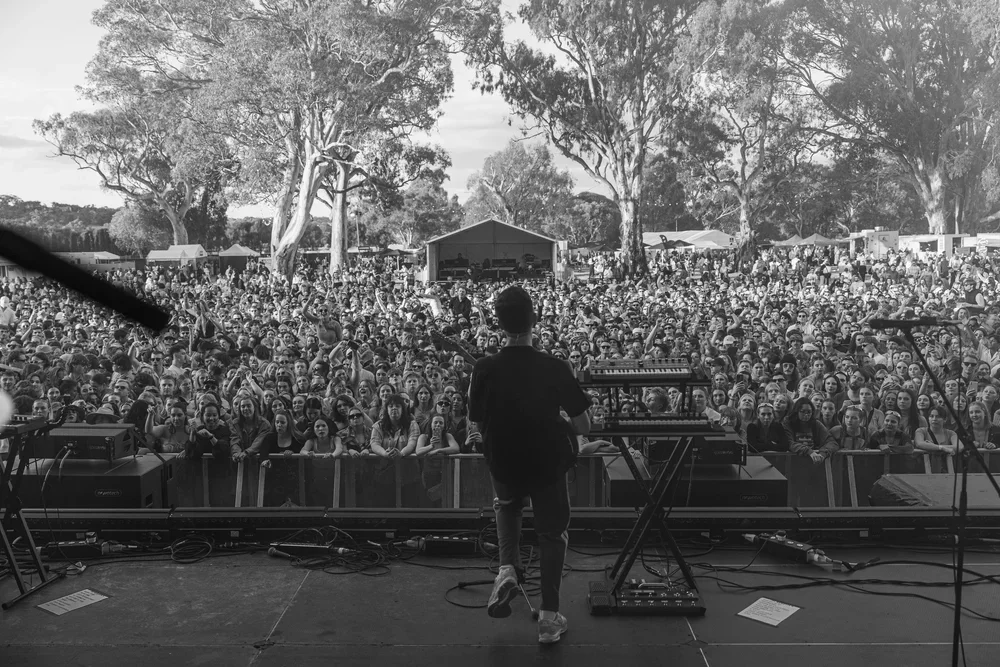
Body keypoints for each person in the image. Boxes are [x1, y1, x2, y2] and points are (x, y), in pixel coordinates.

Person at [468, 285, 590, 645]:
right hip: (547, 461)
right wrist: (563, 423)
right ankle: (550, 619)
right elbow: (584, 425)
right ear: (534, 319)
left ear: (499, 323)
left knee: (507, 506)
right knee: (552, 533)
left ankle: (508, 567)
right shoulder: (554, 367)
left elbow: (476, 419)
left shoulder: (484, 367)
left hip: (503, 459)